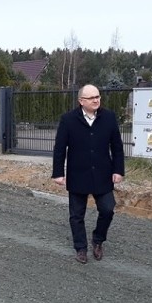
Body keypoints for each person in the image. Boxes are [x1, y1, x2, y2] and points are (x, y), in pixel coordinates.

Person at [51, 84, 125, 263]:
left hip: (103, 174)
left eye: (98, 96)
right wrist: (58, 173)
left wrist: (118, 170)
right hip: (78, 174)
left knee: (107, 209)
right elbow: (60, 148)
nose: (96, 100)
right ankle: (81, 248)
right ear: (81, 101)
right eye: (92, 98)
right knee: (77, 215)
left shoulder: (109, 117)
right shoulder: (68, 120)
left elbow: (117, 147)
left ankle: (98, 240)